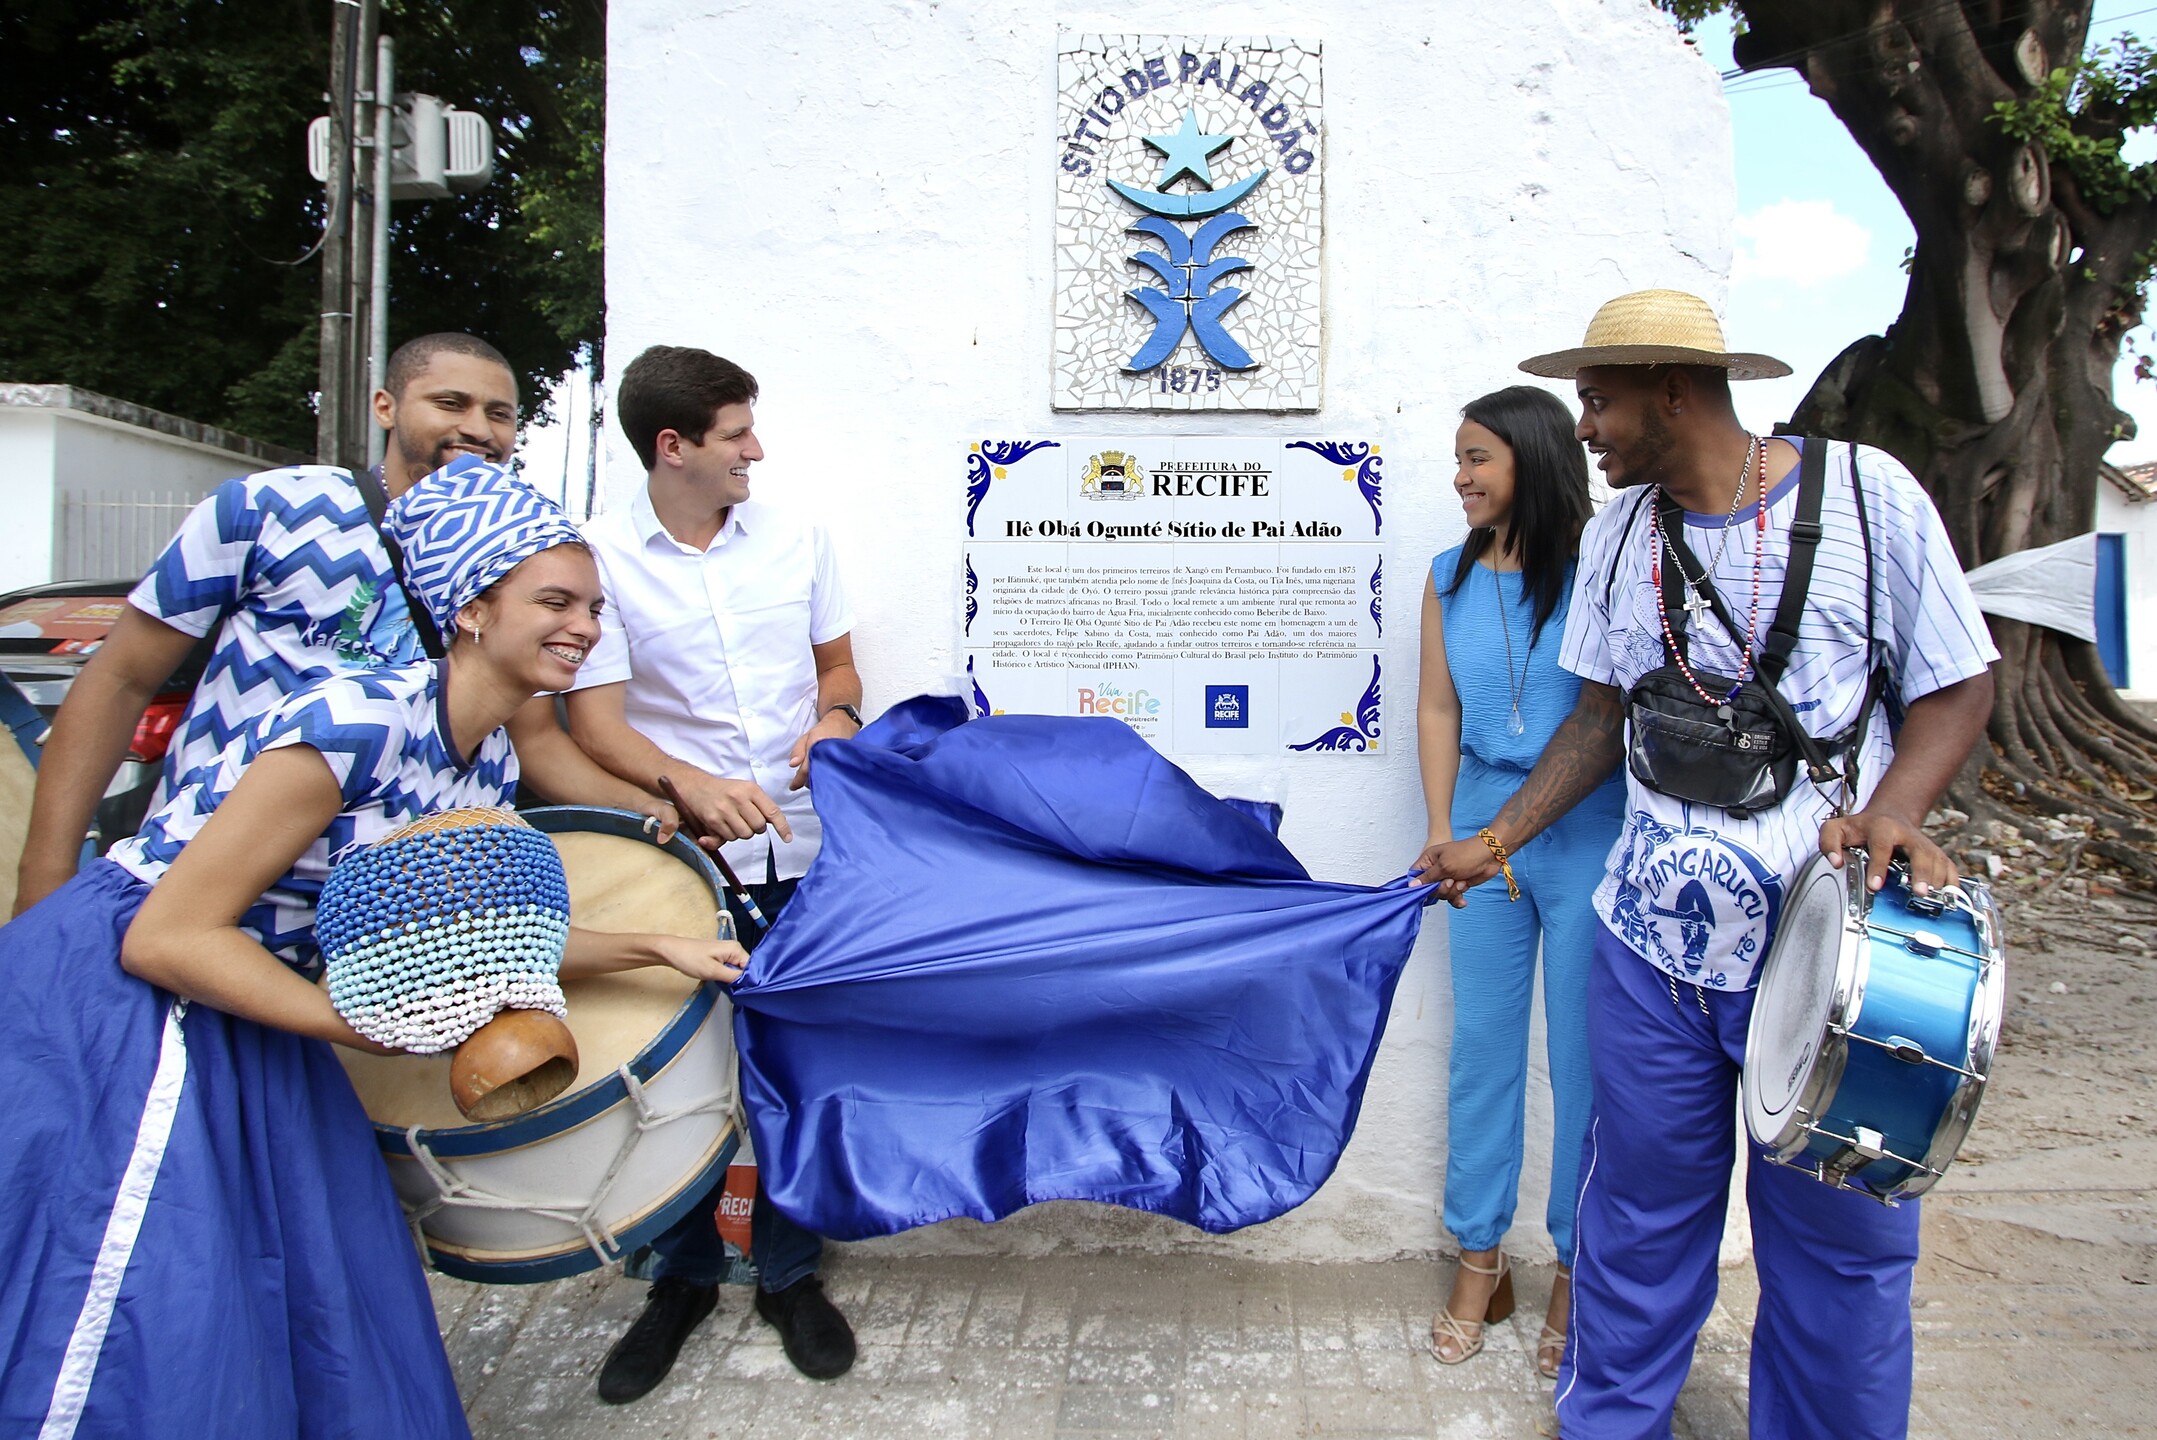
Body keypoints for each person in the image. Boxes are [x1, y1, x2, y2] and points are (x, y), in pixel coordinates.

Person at [0, 460, 747, 1436]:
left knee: (303, 1298)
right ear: (472, 611)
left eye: (595, 608)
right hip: (128, 1014)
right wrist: (359, 1023)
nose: (585, 627)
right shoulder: (357, 722)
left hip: (251, 1011)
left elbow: (481, 942)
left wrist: (656, 945)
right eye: (555, 601)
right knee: (146, 1307)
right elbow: (167, 935)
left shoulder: (487, 761)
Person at [1420, 290, 1997, 1439]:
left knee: (1840, 1250)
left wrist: (1895, 808)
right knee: (1636, 1222)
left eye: (1599, 399)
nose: (1584, 428)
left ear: (1672, 389)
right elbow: (1597, 716)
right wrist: (1497, 841)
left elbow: (1958, 678)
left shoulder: (1870, 499)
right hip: (1650, 950)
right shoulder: (1623, 536)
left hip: (1828, 958)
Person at [12, 332, 665, 916]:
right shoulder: (270, 507)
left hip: (361, 923)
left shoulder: (514, 559)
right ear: (386, 406)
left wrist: (654, 808)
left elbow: (533, 742)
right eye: (450, 403)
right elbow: (121, 679)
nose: (478, 428)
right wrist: (44, 878)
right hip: (201, 875)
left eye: (499, 414)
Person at [564, 345, 863, 1402]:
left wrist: (834, 720)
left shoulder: (797, 538)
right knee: (682, 1072)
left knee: (792, 1067)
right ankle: (680, 1279)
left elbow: (839, 671)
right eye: (737, 435)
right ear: (673, 446)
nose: (757, 452)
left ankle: (788, 1274)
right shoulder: (595, 559)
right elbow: (594, 725)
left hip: (808, 852)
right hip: (680, 869)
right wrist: (688, 785)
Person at [1409, 386, 1621, 1378]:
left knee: (1584, 1065)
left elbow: (1609, 719)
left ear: (1530, 460)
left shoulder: (1603, 569)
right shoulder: (1446, 577)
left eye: (1477, 457)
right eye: (1459, 458)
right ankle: (1479, 1260)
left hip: (1588, 837)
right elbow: (1439, 709)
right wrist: (1446, 832)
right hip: (1479, 848)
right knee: (1482, 1052)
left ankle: (1579, 1272)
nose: (1461, 476)